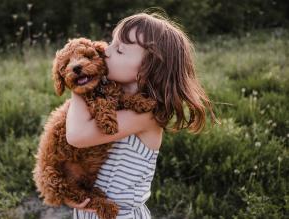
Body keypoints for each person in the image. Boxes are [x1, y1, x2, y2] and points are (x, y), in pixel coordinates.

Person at [63, 10, 219, 219]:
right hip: (91, 211)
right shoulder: (111, 102)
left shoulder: (145, 115)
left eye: (119, 50)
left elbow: (77, 136)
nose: (106, 51)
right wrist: (71, 195)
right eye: (111, 42)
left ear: (145, 70)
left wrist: (79, 83)